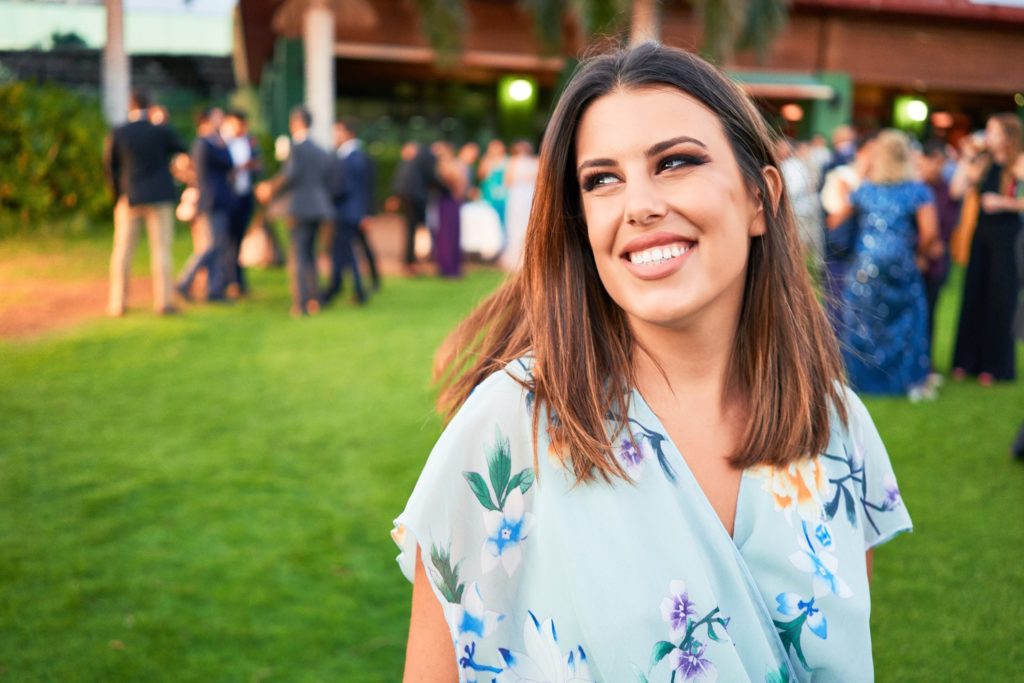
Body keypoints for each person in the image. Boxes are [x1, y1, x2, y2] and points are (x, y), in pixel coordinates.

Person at [394, 43, 911, 682]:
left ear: (759, 198)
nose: (638, 204)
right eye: (601, 179)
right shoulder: (509, 429)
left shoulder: (835, 425)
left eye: (674, 162)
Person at [828, 130, 940, 399]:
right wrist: (920, 255)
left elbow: (834, 222)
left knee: (864, 324)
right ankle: (904, 380)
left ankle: (862, 381)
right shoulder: (917, 191)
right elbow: (929, 233)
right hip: (901, 263)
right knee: (907, 319)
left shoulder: (866, 190)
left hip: (866, 265)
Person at [950, 114, 1024, 384]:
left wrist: (1005, 203)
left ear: (1007, 135)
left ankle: (995, 365)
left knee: (1000, 298)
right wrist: (966, 157)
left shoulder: (1018, 163)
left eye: (992, 131)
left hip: (1007, 237)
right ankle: (966, 361)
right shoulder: (984, 162)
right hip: (981, 235)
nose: (987, 136)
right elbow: (956, 190)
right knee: (974, 294)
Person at [103, 88, 187, 317]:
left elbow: (110, 166)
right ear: (150, 106)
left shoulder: (120, 132)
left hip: (129, 197)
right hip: (159, 197)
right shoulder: (159, 131)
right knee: (161, 251)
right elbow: (182, 146)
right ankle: (164, 302)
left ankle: (117, 303)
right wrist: (163, 121)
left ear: (130, 106)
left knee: (122, 251)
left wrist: (117, 195)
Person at [256, 106, 333, 317]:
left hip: (298, 208)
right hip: (319, 207)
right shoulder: (320, 149)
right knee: (310, 254)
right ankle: (314, 299)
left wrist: (268, 188)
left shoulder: (296, 148)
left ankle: (300, 302)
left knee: (298, 255)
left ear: (296, 123)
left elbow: (290, 175)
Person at [176, 107, 234, 302]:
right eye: (218, 117)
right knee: (212, 246)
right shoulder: (204, 144)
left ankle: (215, 289)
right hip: (212, 201)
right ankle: (185, 280)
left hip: (217, 201)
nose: (221, 120)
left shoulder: (211, 142)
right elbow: (227, 163)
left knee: (217, 246)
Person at [915, 139, 960, 379]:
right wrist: (921, 250)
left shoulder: (948, 189)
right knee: (912, 313)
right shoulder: (916, 187)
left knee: (931, 312)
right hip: (916, 260)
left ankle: (926, 362)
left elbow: (950, 223)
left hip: (937, 262)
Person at [324, 118, 371, 305]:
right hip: (352, 212)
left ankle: (349, 290)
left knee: (346, 254)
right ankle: (339, 288)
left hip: (346, 212)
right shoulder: (355, 156)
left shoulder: (350, 158)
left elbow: (344, 188)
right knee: (343, 253)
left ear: (348, 133)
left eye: (338, 132)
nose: (335, 136)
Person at [222, 110, 261, 297]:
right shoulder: (224, 144)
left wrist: (253, 166)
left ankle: (238, 280)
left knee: (238, 239)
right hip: (229, 197)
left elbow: (259, 167)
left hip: (245, 195)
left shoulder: (250, 143)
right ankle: (230, 280)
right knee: (227, 239)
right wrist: (237, 169)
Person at [499, 139, 539, 270]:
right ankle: (517, 257)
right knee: (517, 224)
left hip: (525, 195)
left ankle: (525, 256)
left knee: (526, 224)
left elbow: (507, 182)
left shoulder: (531, 162)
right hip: (520, 195)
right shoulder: (521, 162)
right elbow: (508, 181)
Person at [431, 141, 468, 278]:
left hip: (449, 202)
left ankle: (449, 266)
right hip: (447, 202)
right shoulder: (450, 166)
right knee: (447, 234)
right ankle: (448, 266)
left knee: (448, 234)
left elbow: (458, 182)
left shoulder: (447, 166)